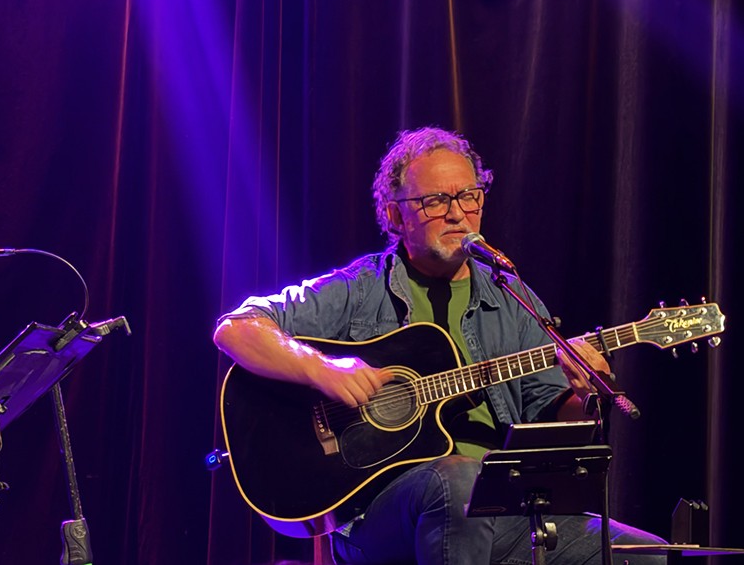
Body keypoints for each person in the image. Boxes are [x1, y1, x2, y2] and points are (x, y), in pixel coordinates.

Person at [213, 126, 665, 565]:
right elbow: (236, 328)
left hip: (502, 508)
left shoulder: (514, 298)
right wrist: (325, 370)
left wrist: (585, 390)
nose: (457, 213)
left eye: (469, 196)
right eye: (435, 201)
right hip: (376, 516)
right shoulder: (360, 289)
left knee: (649, 554)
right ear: (394, 215)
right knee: (459, 479)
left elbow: (552, 420)